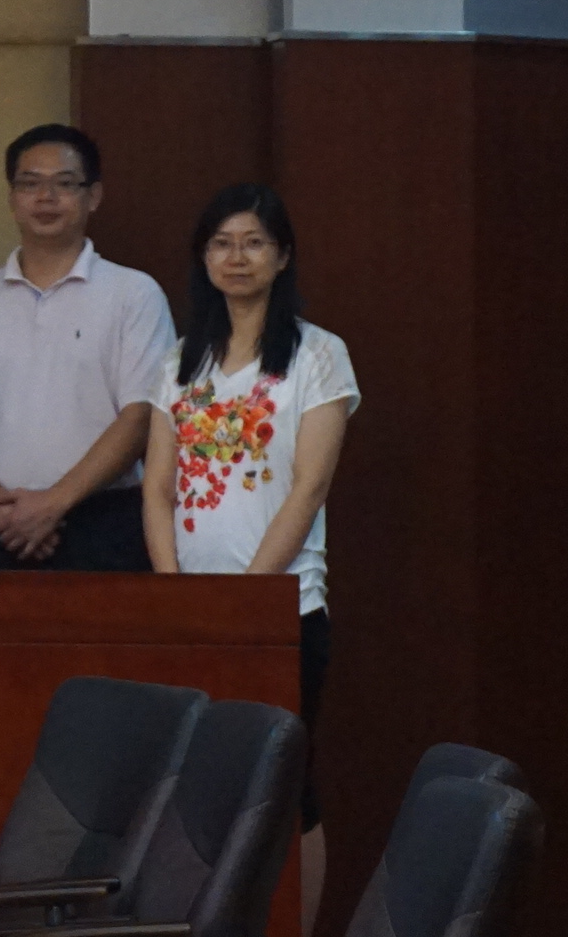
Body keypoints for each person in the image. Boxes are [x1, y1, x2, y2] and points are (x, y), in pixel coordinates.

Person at [143, 183, 356, 935]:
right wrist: (177, 597)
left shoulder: (318, 355)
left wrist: (247, 600)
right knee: (199, 785)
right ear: (203, 258)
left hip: (284, 613)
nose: (237, 257)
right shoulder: (180, 361)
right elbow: (157, 488)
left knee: (286, 789)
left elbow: (311, 485)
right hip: (192, 617)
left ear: (283, 255)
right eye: (222, 243)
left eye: (254, 243)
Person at [0, 123, 176, 571]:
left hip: (104, 524)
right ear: (12, 197)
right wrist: (0, 509)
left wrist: (54, 502)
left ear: (93, 196)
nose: (45, 198)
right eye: (30, 184)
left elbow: (141, 414)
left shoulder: (134, 294)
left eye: (64, 184)